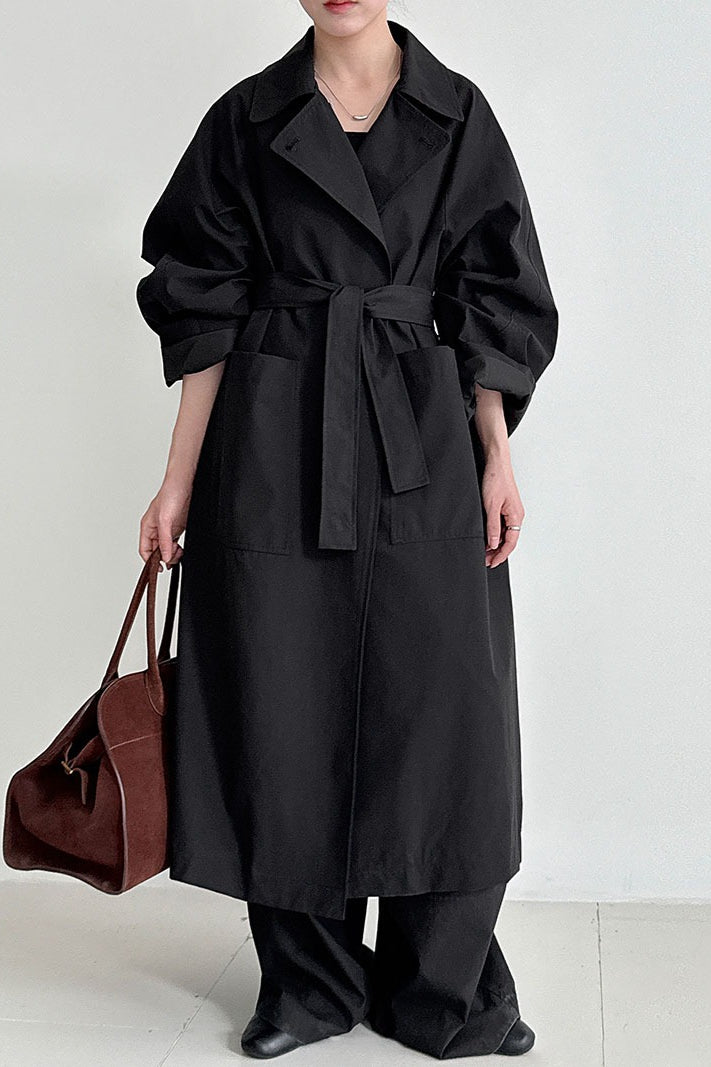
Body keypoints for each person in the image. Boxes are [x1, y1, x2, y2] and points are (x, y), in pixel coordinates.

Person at [135, 0, 558, 1059]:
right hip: (273, 437)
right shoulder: (247, 117)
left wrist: (498, 455)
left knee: (445, 714)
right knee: (281, 700)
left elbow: (494, 292)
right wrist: (177, 482)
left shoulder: (457, 115)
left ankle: (440, 986)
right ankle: (307, 984)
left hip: (421, 433)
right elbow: (205, 308)